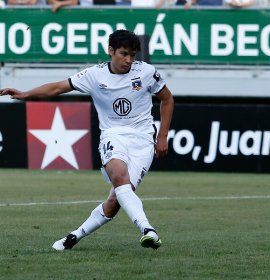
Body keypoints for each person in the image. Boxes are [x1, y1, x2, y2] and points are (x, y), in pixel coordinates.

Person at [0, 29, 174, 251]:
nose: (129, 60)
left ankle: (73, 236)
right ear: (110, 51)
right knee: (119, 177)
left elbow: (167, 98)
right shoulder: (95, 75)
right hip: (113, 136)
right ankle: (147, 229)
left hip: (142, 141)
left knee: (115, 202)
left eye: (132, 54)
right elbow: (57, 87)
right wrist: (25, 94)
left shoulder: (147, 72)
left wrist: (162, 136)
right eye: (123, 53)